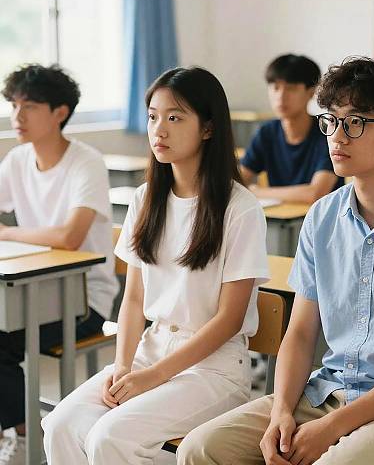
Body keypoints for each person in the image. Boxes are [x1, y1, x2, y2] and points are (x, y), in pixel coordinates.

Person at [178, 57, 374, 465]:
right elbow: (300, 333)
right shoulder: (322, 217)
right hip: (326, 393)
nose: (337, 137)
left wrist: (333, 429)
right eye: (330, 121)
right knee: (201, 449)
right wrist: (282, 410)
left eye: (355, 123)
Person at [41, 66, 269, 464]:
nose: (158, 129)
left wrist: (153, 376)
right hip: (150, 352)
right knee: (61, 424)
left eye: (174, 117)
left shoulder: (240, 209)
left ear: (208, 128)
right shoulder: (145, 199)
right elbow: (132, 301)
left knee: (110, 439)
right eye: (153, 116)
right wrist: (123, 366)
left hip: (212, 369)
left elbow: (230, 320)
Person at [0, 64, 119, 464]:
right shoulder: (18, 160)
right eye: (14, 106)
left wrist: (6, 233)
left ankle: (22, 434)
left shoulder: (85, 162)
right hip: (32, 290)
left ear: (60, 113)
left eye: (29, 107)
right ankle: (16, 423)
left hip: (85, 299)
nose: (17, 117)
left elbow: (69, 236)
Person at [240, 54, 341, 203]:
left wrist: (256, 191)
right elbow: (237, 181)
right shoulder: (267, 132)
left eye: (291, 89)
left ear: (311, 92)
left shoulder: (327, 132)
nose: (281, 96)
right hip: (280, 220)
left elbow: (316, 193)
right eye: (275, 88)